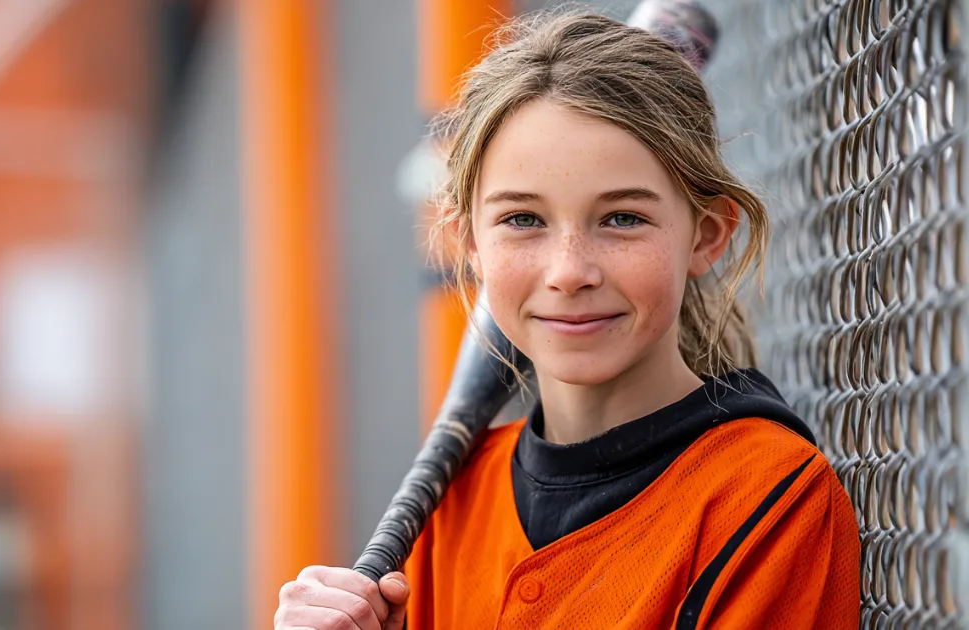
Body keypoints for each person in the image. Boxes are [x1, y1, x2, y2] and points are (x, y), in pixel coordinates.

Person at [274, 9, 861, 630]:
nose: (568, 271)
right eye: (522, 220)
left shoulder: (767, 500)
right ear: (468, 241)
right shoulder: (455, 502)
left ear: (706, 235)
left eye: (622, 218)